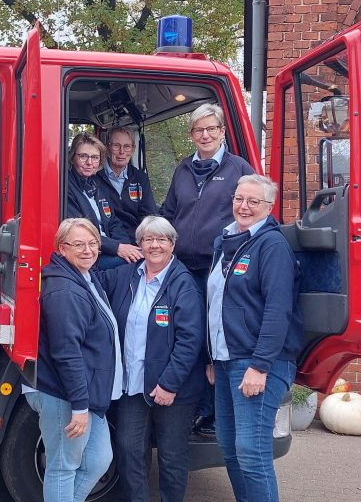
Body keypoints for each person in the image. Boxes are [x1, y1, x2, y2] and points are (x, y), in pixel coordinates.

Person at [208, 175, 301, 502]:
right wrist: (215, 358)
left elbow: (278, 310)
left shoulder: (272, 245)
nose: (243, 206)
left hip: (258, 364)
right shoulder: (228, 240)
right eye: (239, 198)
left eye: (253, 200)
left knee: (253, 455)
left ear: (269, 205)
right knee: (231, 449)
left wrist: (261, 365)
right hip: (229, 362)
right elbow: (219, 303)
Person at [96, 216, 204, 502]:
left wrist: (170, 383)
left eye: (161, 240)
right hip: (132, 384)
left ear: (172, 245)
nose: (154, 246)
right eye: (147, 240)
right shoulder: (127, 275)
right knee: (129, 450)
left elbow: (190, 340)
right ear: (139, 245)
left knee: (171, 455)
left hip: (173, 389)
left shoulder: (183, 284)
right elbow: (87, 278)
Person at [27, 218, 122, 502]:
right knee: (64, 465)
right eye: (78, 244)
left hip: (85, 393)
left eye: (93, 243)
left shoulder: (84, 276)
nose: (88, 250)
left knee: (98, 459)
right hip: (66, 395)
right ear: (61, 249)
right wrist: (79, 406)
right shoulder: (64, 291)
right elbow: (67, 353)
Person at [161, 104, 255, 437]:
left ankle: (211, 413)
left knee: (215, 340)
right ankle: (187, 406)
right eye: (199, 130)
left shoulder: (238, 169)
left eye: (211, 129)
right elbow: (168, 213)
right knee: (186, 335)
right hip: (183, 267)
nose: (205, 135)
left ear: (221, 132)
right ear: (191, 135)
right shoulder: (183, 170)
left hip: (219, 268)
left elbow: (251, 215)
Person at [65, 132, 142, 270]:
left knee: (147, 257)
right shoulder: (66, 188)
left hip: (107, 249)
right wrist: (117, 248)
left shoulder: (96, 185)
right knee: (139, 265)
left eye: (95, 158)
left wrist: (125, 246)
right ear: (72, 158)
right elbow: (81, 232)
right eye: (83, 156)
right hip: (88, 255)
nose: (89, 163)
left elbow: (113, 222)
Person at [95, 127, 156, 241]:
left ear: (133, 150)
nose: (122, 152)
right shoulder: (94, 177)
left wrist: (145, 241)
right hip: (108, 241)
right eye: (116, 146)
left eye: (127, 146)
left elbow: (149, 215)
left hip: (136, 240)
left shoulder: (140, 178)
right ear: (108, 148)